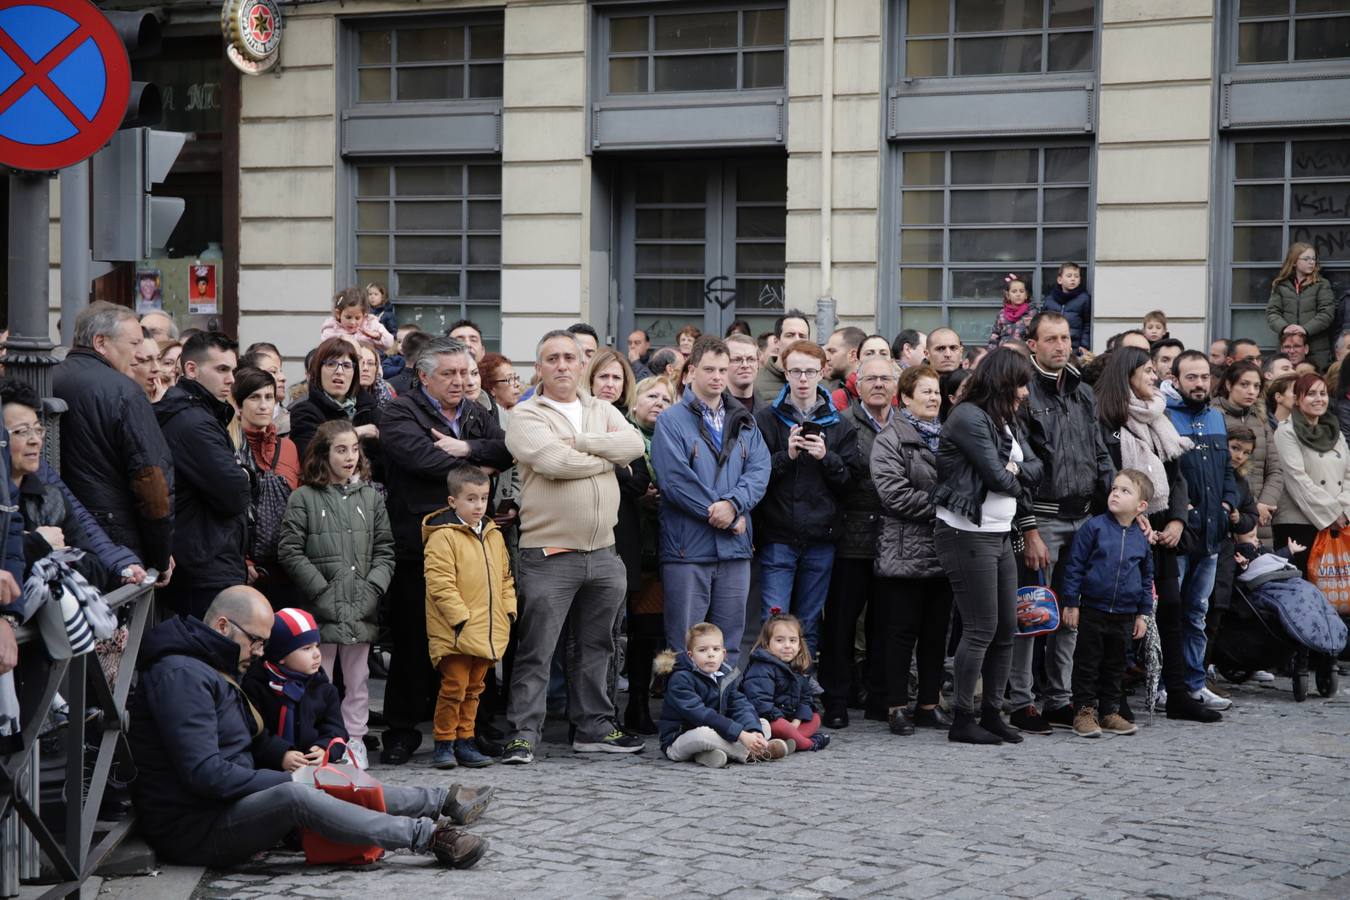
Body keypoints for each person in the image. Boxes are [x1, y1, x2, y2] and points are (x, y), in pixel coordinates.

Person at [128, 586, 491, 868]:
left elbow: (244, 743)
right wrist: (290, 779)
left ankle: (439, 801)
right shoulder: (181, 675)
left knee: (327, 773)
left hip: (224, 805)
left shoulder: (206, 664)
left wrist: (298, 764)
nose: (258, 651)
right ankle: (426, 837)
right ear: (223, 625)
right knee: (298, 793)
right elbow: (205, 774)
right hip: (196, 828)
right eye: (255, 640)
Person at [501, 330, 645, 764]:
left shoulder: (602, 410)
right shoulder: (527, 415)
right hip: (549, 554)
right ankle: (524, 734)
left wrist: (583, 442)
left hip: (604, 554)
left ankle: (593, 728)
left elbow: (635, 445)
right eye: (552, 358)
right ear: (539, 368)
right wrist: (607, 458)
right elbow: (552, 463)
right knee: (537, 650)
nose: (562, 365)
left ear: (582, 364)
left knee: (597, 647)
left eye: (570, 357)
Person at [380, 337, 511, 765]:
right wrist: (476, 468)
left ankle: (473, 732)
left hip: (473, 545)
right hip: (419, 545)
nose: (460, 381)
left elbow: (505, 450)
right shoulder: (400, 411)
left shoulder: (476, 411)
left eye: (465, 372)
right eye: (449, 374)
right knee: (415, 640)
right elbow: (420, 460)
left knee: (473, 640)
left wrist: (466, 449)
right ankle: (402, 732)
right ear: (423, 376)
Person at [1007, 312, 1115, 735]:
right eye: (1050, 338)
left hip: (1085, 516)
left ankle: (1059, 698)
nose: (1060, 345)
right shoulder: (1023, 392)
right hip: (1044, 518)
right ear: (1032, 344)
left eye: (1066, 338)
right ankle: (1020, 701)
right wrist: (1029, 527)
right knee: (1033, 611)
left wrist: (1112, 511)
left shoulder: (1083, 391)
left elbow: (1100, 451)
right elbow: (1016, 464)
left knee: (1071, 613)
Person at [931, 348, 1043, 745]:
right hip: (966, 531)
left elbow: (1037, 466)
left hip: (998, 532)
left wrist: (1014, 471)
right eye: (1020, 383)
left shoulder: (1005, 420)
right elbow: (998, 479)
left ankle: (993, 712)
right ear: (1002, 382)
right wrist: (1014, 474)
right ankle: (963, 717)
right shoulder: (967, 416)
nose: (1025, 392)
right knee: (980, 628)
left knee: (1006, 628)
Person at [1092, 347, 1207, 719]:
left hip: (1160, 529)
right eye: (1145, 370)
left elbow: (1177, 476)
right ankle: (1115, 698)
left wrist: (1176, 520)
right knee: (1122, 616)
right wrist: (1131, 514)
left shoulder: (1159, 417)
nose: (1154, 377)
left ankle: (1177, 694)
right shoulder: (1105, 419)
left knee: (1171, 609)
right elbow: (1104, 479)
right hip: (1121, 529)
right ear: (1126, 375)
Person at [276, 420, 394, 770]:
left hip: (361, 604)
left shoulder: (370, 497)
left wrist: (372, 588)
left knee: (358, 681)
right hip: (321, 608)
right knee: (317, 678)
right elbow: (290, 549)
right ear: (323, 454)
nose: (349, 457)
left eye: (354, 449)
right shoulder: (304, 497)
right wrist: (321, 590)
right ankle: (320, 742)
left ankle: (355, 739)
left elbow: (385, 549)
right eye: (340, 450)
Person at [651, 336, 770, 666]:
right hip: (688, 550)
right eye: (709, 369)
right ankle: (687, 717)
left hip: (734, 552)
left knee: (730, 645)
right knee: (686, 643)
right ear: (691, 372)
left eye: (723, 369)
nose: (718, 376)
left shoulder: (745, 420)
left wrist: (733, 504)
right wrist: (728, 516)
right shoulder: (671, 420)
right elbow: (675, 481)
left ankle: (725, 713)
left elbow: (760, 470)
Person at [753, 340, 862, 657]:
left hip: (820, 538)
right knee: (772, 623)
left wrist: (826, 457)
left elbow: (850, 484)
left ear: (823, 372)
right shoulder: (766, 420)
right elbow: (756, 479)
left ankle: (802, 696)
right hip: (777, 537)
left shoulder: (840, 424)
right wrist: (786, 456)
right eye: (796, 371)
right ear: (784, 373)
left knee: (809, 624)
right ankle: (769, 696)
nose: (803, 379)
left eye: (810, 371)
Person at [53, 302, 174, 578]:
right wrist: (160, 554)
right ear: (101, 342)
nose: (138, 354)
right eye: (133, 344)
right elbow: (152, 481)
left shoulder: (49, 379)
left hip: (64, 534)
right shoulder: (124, 391)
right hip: (117, 539)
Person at [870, 365, 953, 736]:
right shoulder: (890, 438)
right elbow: (893, 495)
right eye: (925, 391)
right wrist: (945, 505)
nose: (933, 398)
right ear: (904, 398)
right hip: (903, 551)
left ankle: (929, 704)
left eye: (936, 391)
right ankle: (896, 706)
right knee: (900, 634)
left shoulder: (950, 436)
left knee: (937, 634)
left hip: (945, 550)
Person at [820, 354, 896, 727]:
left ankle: (880, 697)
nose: (879, 384)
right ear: (857, 384)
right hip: (849, 538)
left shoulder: (904, 425)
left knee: (885, 624)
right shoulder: (842, 422)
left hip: (893, 541)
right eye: (871, 379)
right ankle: (836, 698)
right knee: (841, 625)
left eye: (885, 378)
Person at [423, 467, 516, 770]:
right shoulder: (443, 536)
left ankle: (466, 739)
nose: (479, 506)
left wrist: (508, 609)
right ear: (453, 501)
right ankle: (444, 741)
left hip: (487, 629)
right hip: (456, 631)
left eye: (484, 498)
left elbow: (505, 577)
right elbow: (440, 583)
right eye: (471, 499)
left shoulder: (492, 534)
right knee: (454, 687)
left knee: (475, 689)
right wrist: (460, 619)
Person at [1165, 350, 1240, 713]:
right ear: (1176, 379)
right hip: (1179, 536)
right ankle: (1168, 684)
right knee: (1170, 610)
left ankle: (1194, 682)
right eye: (1191, 377)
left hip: (1212, 536)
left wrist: (1227, 506)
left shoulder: (1215, 417)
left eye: (1204, 377)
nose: (1199, 384)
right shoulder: (1164, 417)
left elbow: (1228, 472)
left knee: (1197, 612)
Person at [156, 332, 250, 618]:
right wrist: (245, 475)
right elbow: (236, 493)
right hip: (204, 566)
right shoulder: (193, 422)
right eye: (221, 369)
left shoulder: (200, 414)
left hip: (205, 559)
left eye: (232, 370)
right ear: (191, 369)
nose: (231, 379)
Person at [1058, 470, 1154, 739]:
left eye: (1125, 491)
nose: (1116, 494)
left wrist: (1143, 614)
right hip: (1092, 608)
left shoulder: (1141, 538)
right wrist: (1071, 603)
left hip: (1125, 613)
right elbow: (1074, 565)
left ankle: (1110, 711)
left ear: (1141, 506)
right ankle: (1084, 711)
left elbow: (1147, 577)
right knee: (1087, 663)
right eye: (1114, 488)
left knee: (1115, 665)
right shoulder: (1095, 527)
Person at [1, 380, 112, 590]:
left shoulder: (51, 498)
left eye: (37, 430)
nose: (35, 440)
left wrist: (61, 555)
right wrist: (37, 543)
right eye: (22, 432)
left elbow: (97, 570)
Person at [657, 622, 788, 768]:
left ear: (723, 654)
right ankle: (756, 752)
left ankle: (710, 754)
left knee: (762, 723)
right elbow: (701, 715)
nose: (711, 654)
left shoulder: (726, 674)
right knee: (704, 734)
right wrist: (741, 735)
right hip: (679, 739)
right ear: (691, 655)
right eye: (702, 650)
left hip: (719, 729)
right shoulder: (680, 679)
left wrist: (753, 731)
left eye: (716, 649)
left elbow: (739, 704)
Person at [622, 374, 672, 733]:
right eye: (651, 396)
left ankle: (640, 704)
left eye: (666, 398)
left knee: (648, 633)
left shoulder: (674, 439)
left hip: (661, 551)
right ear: (635, 402)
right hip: (626, 546)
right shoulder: (624, 438)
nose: (658, 403)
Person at [240, 608, 348, 768]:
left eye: (317, 646)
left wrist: (325, 749)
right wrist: (280, 754)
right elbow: (252, 731)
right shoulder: (255, 686)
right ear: (281, 656)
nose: (317, 654)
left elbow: (336, 728)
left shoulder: (324, 688)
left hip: (312, 770)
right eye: (306, 648)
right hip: (266, 770)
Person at [1273, 373, 1350, 576]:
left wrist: (1343, 508)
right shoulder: (1286, 432)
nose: (1319, 399)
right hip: (1300, 523)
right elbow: (1296, 478)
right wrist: (1332, 512)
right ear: (1298, 399)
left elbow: (1349, 474)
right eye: (1311, 394)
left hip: (1339, 521)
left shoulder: (1336, 432)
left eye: (1323, 393)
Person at [1213, 361, 1283, 547]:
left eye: (1256, 386)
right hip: (1228, 511)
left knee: (1260, 568)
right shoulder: (1212, 415)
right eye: (1244, 384)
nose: (1251, 391)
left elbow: (1275, 468)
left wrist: (1264, 503)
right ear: (1229, 384)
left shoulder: (1260, 419)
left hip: (1260, 514)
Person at [740, 613, 825, 752]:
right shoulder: (761, 667)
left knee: (814, 717)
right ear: (767, 644)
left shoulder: (798, 667)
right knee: (780, 727)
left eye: (792, 640)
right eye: (780, 640)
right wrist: (784, 722)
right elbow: (760, 703)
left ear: (799, 646)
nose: (787, 646)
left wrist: (797, 721)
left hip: (789, 717)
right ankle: (808, 744)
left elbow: (805, 698)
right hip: (766, 718)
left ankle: (789, 740)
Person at [289, 338, 381, 461]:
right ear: (318, 370)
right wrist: (354, 433)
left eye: (347, 365)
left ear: (355, 373)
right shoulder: (304, 411)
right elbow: (309, 457)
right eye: (331, 364)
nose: (339, 371)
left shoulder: (370, 409)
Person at [1266, 242, 1335, 367]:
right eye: (1306, 259)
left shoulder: (1322, 284)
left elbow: (1327, 314)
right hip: (1288, 348)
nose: (1311, 262)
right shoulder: (1280, 285)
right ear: (1294, 261)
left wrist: (1305, 329)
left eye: (1314, 259)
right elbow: (1272, 312)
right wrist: (1284, 328)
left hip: (1316, 348)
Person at [754, 310, 810, 404]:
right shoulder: (756, 384)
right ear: (776, 341)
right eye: (790, 335)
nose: (797, 340)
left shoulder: (820, 383)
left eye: (802, 336)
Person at [320, 287, 394, 353]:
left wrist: (378, 336)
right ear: (338, 314)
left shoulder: (370, 323)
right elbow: (328, 350)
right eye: (348, 317)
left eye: (357, 318)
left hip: (368, 366)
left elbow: (389, 344)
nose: (353, 322)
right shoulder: (331, 328)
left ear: (364, 315)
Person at [1041, 261, 1091, 357]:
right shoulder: (1050, 299)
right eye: (1069, 276)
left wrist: (1084, 344)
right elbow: (1043, 322)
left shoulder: (1084, 298)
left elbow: (1087, 324)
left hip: (1074, 346)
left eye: (1076, 276)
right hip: (1052, 344)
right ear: (1060, 280)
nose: (1073, 279)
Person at [240, 343, 289, 435]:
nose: (282, 377)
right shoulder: (228, 428)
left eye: (281, 371)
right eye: (273, 371)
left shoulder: (294, 422)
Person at [986, 273, 1036, 351]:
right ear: (1008, 295)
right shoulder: (1002, 314)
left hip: (1022, 354)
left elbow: (1036, 336)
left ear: (1026, 295)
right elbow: (995, 335)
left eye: (1021, 291)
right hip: (1003, 353)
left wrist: (1029, 327)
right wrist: (991, 353)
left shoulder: (1031, 313)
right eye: (1014, 291)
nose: (1018, 294)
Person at [725, 332, 761, 412]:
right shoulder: (712, 408)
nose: (745, 365)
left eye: (751, 359)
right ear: (724, 363)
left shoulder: (768, 413)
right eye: (737, 360)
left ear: (758, 364)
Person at [823, 326, 866, 391]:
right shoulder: (836, 389)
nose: (827, 358)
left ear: (853, 355)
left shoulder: (868, 392)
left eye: (832, 351)